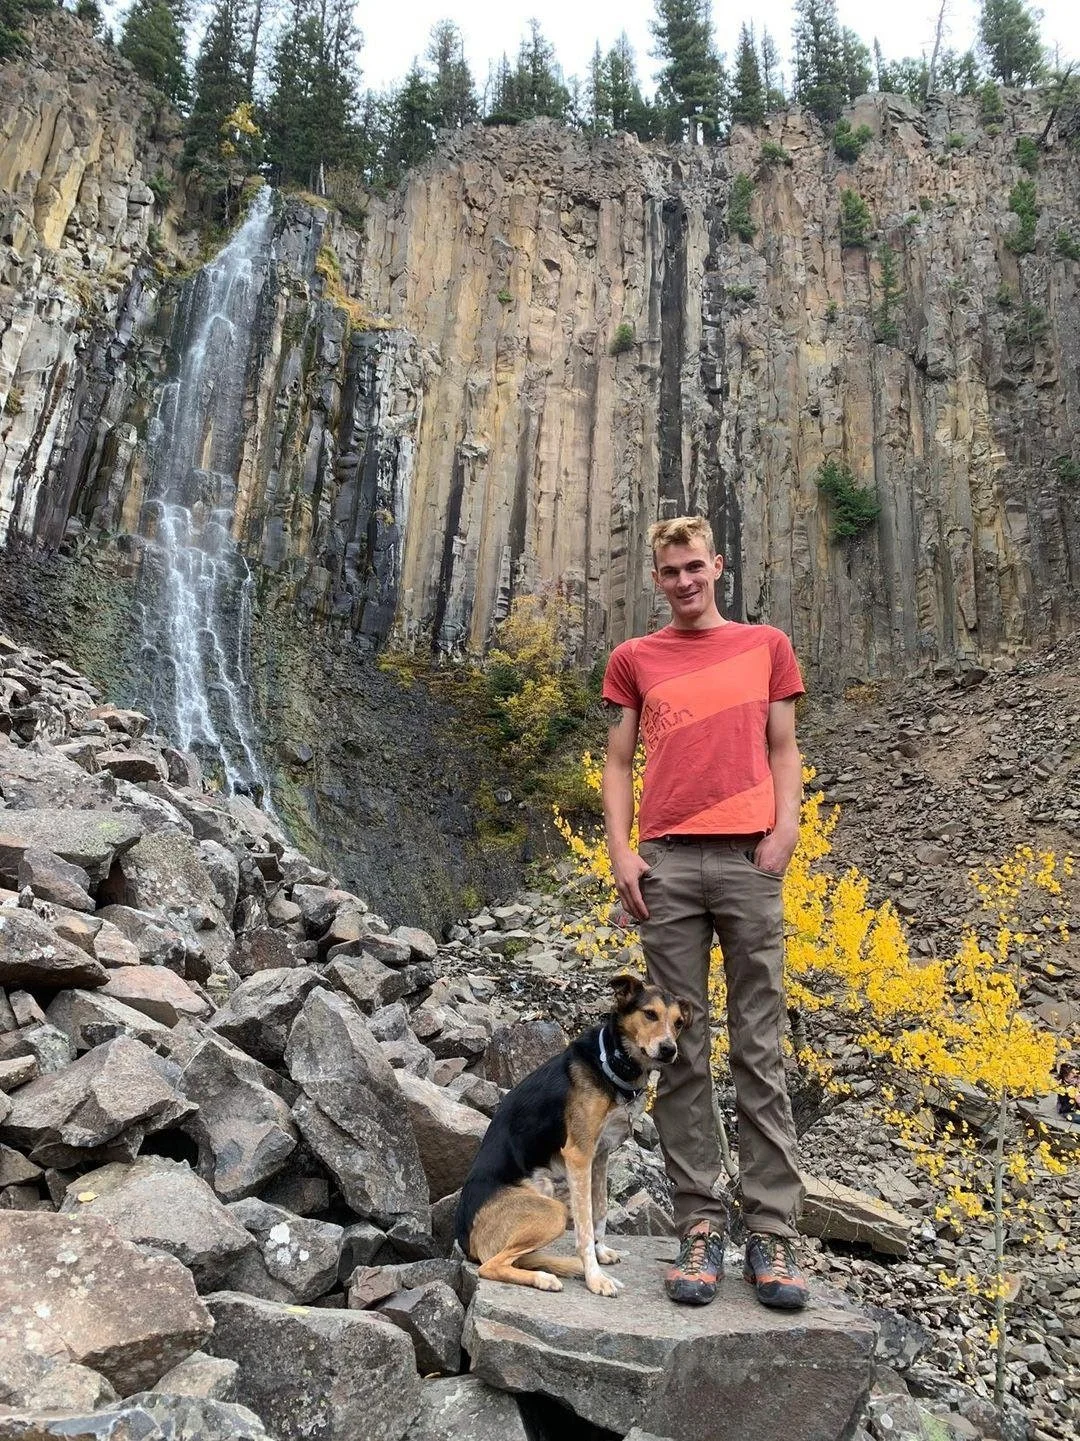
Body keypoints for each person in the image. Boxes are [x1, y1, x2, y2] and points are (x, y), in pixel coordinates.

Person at [601, 514, 807, 1311]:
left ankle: (771, 1231)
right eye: (669, 572)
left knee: (761, 1045)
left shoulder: (767, 646)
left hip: (750, 858)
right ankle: (698, 1223)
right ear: (655, 578)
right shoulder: (634, 660)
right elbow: (619, 762)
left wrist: (786, 828)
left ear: (717, 564)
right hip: (670, 863)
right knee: (675, 1048)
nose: (684, 582)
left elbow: (783, 745)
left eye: (694, 567)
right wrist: (621, 852)